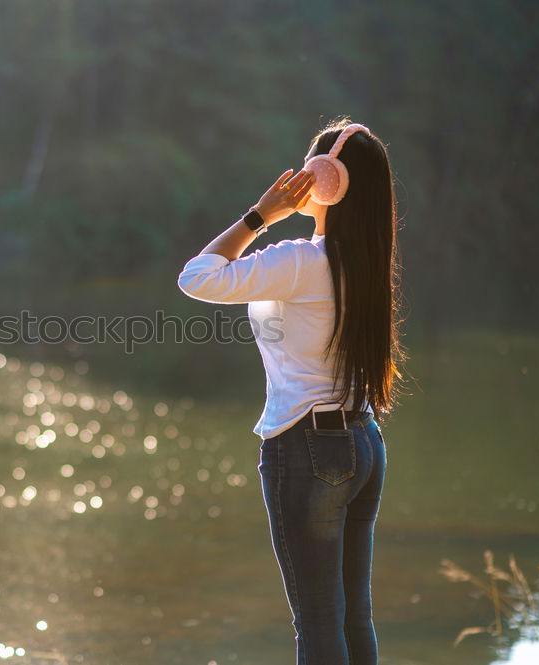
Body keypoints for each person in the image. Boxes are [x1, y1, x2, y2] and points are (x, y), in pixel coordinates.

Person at [176, 116, 407, 665]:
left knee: (318, 626)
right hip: (363, 440)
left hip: (309, 450)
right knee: (355, 619)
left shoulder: (301, 261)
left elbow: (197, 277)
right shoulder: (368, 263)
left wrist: (261, 215)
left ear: (322, 179)